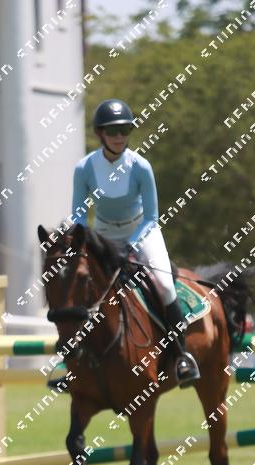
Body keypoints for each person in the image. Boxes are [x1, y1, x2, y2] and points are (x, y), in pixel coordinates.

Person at [70, 98, 200, 387]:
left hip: (141, 231)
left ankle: (181, 356)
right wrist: (82, 240)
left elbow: (152, 217)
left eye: (125, 130)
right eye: (112, 131)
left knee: (164, 285)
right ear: (100, 133)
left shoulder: (141, 166)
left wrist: (130, 244)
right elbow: (78, 215)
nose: (119, 137)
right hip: (103, 234)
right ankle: (72, 362)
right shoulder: (84, 168)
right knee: (80, 286)